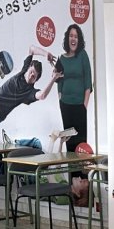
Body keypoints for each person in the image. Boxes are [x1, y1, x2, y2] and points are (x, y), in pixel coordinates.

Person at [0, 46, 61, 145]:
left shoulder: (29, 92)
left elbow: (42, 95)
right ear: (28, 68)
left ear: (36, 80)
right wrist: (46, 54)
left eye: (34, 76)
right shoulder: (24, 69)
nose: (31, 76)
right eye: (31, 72)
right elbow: (31, 49)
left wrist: (53, 79)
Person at [47, 23, 92, 154]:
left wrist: (84, 106)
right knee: (69, 142)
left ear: (79, 40)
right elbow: (59, 83)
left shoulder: (83, 55)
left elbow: (88, 82)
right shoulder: (61, 59)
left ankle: (81, 174)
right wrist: (61, 100)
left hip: (79, 105)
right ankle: (73, 175)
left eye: (76, 37)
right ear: (68, 39)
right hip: (66, 105)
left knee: (81, 144)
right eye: (71, 36)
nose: (73, 39)